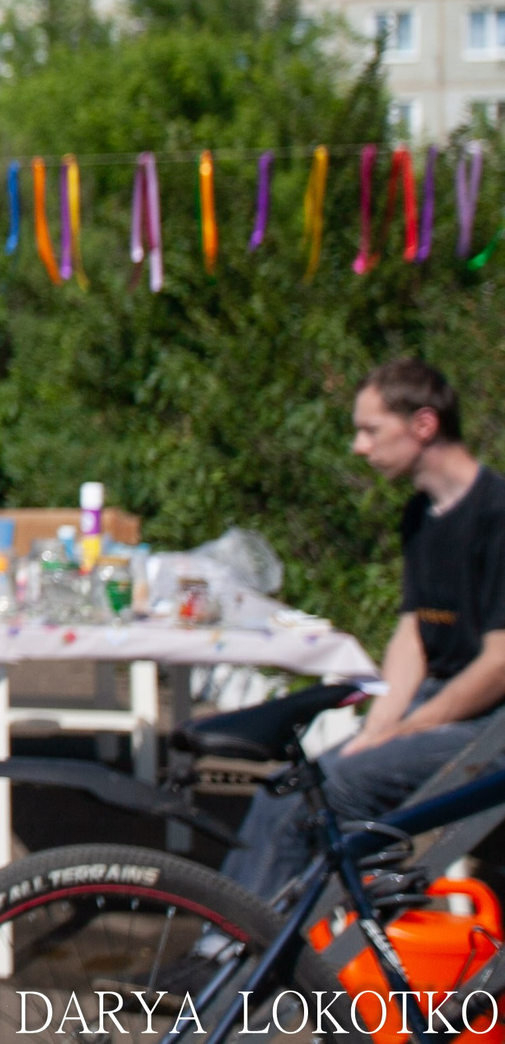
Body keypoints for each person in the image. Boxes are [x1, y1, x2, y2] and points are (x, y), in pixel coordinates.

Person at [221, 358, 505, 900]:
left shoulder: (497, 513)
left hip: (488, 727)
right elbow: (413, 633)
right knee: (285, 794)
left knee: (324, 801)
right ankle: (233, 950)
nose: (358, 446)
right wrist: (380, 724)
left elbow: (499, 662)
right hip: (435, 709)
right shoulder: (421, 515)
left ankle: (254, 961)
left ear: (423, 425)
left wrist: (406, 729)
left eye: (371, 430)